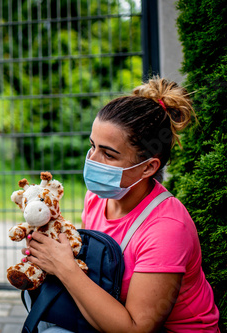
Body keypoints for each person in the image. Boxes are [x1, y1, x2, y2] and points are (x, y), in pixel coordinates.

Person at [23, 77, 220, 332]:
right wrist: (51, 252)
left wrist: (64, 267)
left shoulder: (167, 229)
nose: (92, 160)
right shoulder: (97, 198)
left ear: (149, 166)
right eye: (92, 146)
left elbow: (136, 328)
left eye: (109, 154)